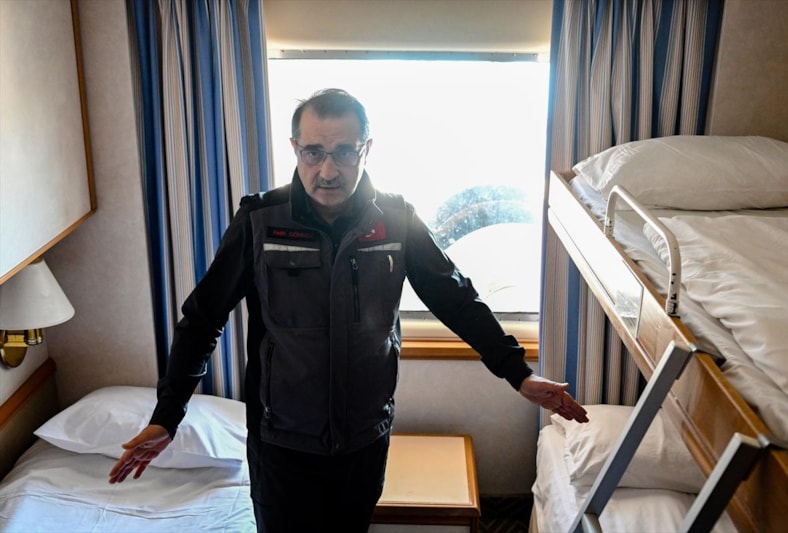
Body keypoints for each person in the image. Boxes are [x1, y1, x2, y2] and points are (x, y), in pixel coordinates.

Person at [108, 88, 588, 532]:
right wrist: (168, 415)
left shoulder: (397, 221)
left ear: (366, 149)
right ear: (295, 149)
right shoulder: (261, 221)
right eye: (313, 152)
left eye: (343, 152)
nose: (328, 170)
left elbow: (456, 300)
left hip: (364, 440)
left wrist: (517, 373)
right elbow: (202, 320)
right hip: (282, 444)